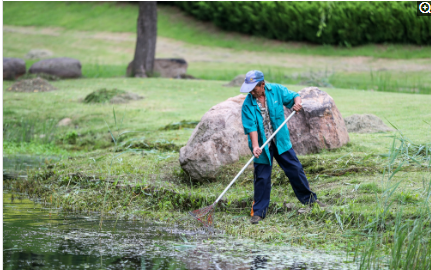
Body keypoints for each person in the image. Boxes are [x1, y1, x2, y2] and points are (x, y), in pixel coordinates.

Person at [240, 70, 326, 224]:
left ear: (263, 84)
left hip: (280, 140)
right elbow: (250, 127)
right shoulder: (248, 104)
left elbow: (293, 96)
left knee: (295, 169)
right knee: (262, 177)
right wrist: (255, 146)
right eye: (250, 89)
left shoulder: (276, 91)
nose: (252, 92)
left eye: (255, 88)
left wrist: (297, 103)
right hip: (262, 145)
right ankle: (258, 212)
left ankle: (310, 201)